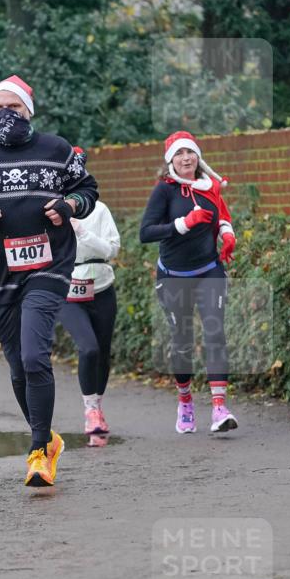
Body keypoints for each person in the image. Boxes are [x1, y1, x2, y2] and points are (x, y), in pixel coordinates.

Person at [0, 75, 99, 487]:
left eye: (13, 108)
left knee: (33, 357)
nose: (5, 115)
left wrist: (67, 206)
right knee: (16, 369)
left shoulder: (56, 149)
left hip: (49, 266)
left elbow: (87, 190)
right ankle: (48, 439)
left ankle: (37, 452)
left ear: (29, 110)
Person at [139, 130, 238, 434]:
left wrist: (227, 234)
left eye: (190, 153)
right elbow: (146, 233)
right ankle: (185, 403)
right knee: (182, 341)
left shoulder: (210, 186)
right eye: (180, 154)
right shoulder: (164, 191)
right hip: (174, 275)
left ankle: (220, 408)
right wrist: (183, 224)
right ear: (171, 160)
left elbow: (221, 215)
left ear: (198, 156)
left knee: (215, 332)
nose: (186, 158)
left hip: (209, 268)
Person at [57, 147, 120, 438]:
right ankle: (89, 410)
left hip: (102, 286)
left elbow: (111, 249)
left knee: (103, 351)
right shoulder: (51, 211)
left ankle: (97, 407)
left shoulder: (101, 210)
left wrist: (83, 232)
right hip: (67, 289)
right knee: (88, 347)